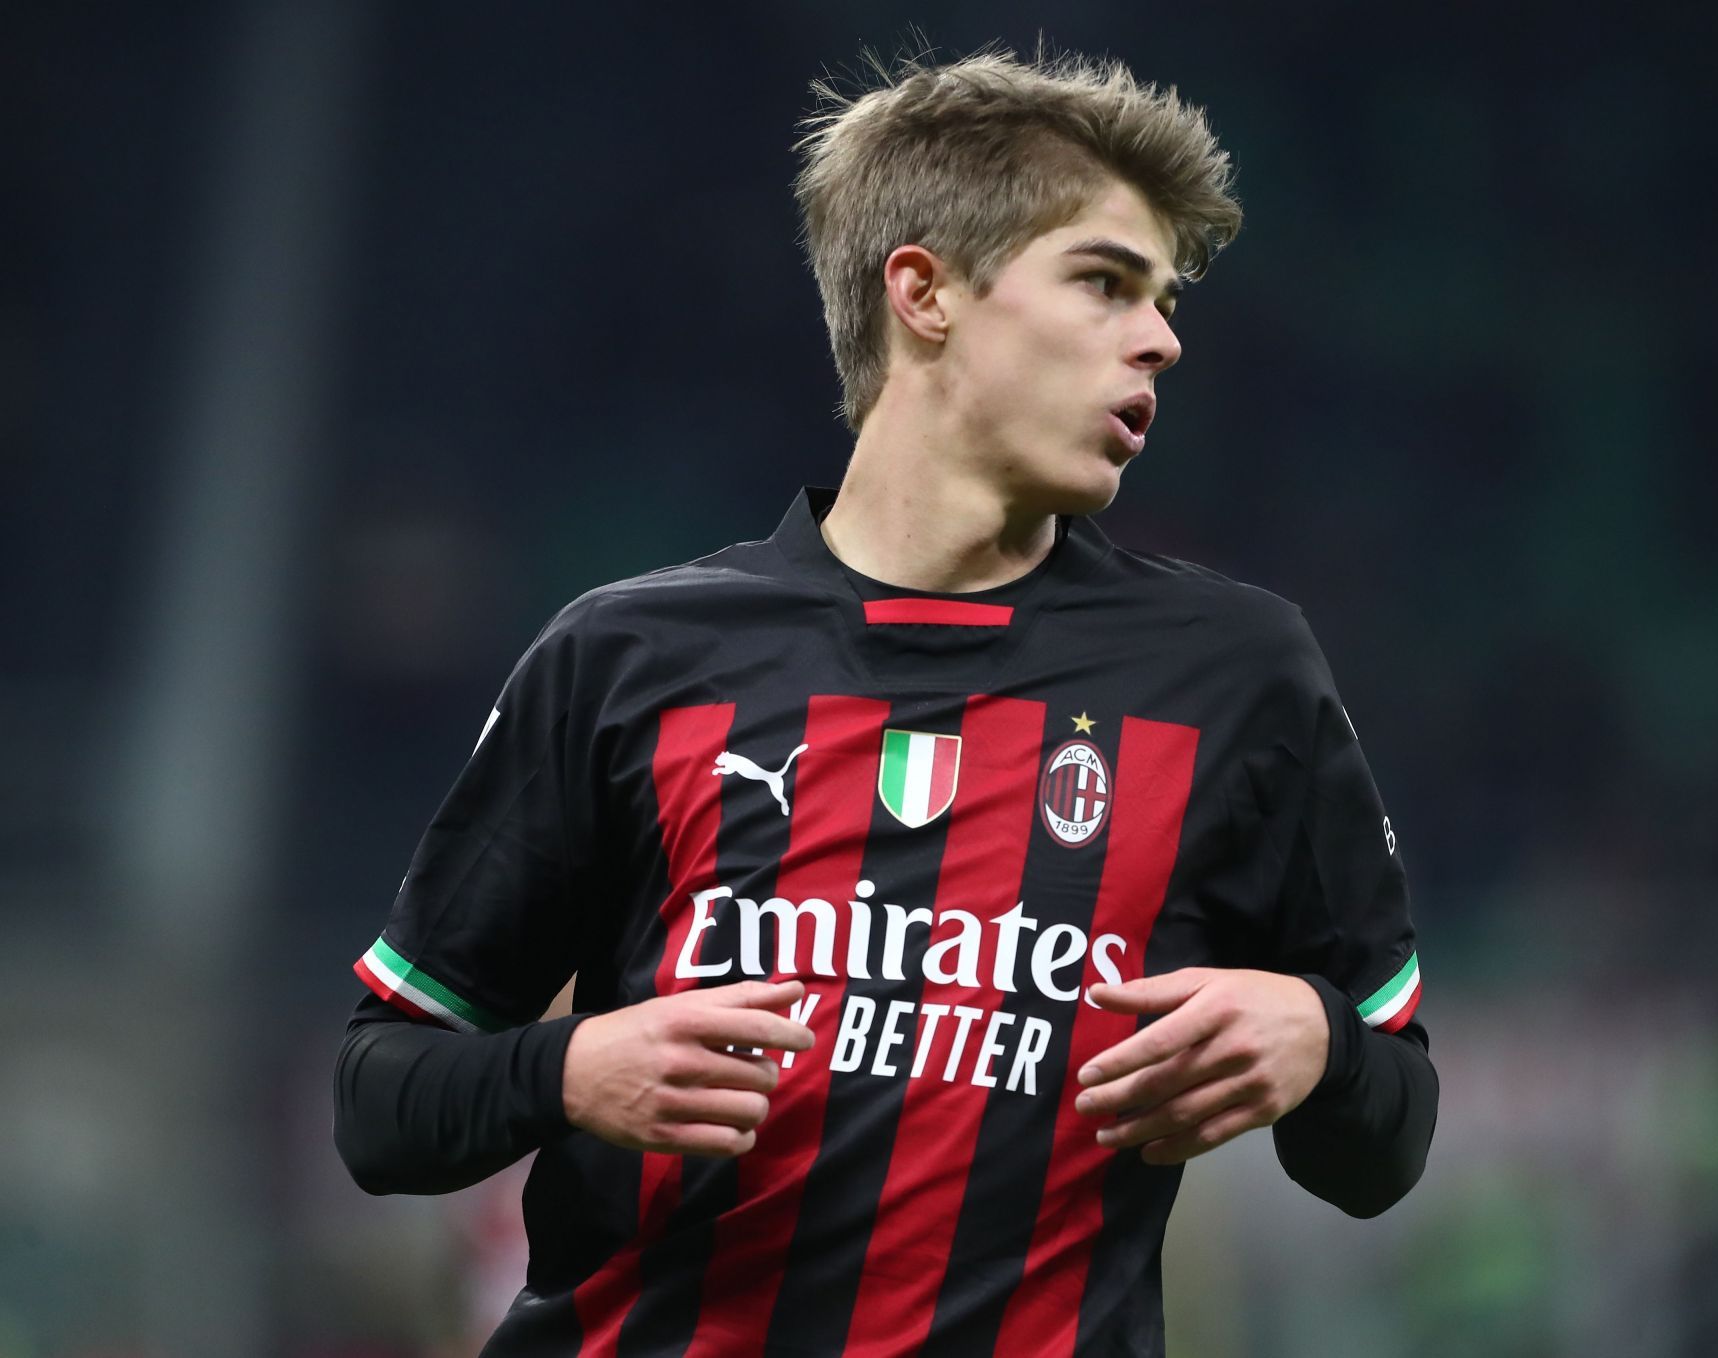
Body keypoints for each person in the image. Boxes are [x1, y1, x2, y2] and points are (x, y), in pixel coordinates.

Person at [333, 44, 1438, 1358]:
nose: (1161, 336)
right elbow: (379, 1095)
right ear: (924, 292)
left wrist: (1316, 1037)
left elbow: (1388, 1134)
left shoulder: (1239, 676)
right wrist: (568, 1068)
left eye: (1163, 298)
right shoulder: (627, 658)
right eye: (1103, 281)